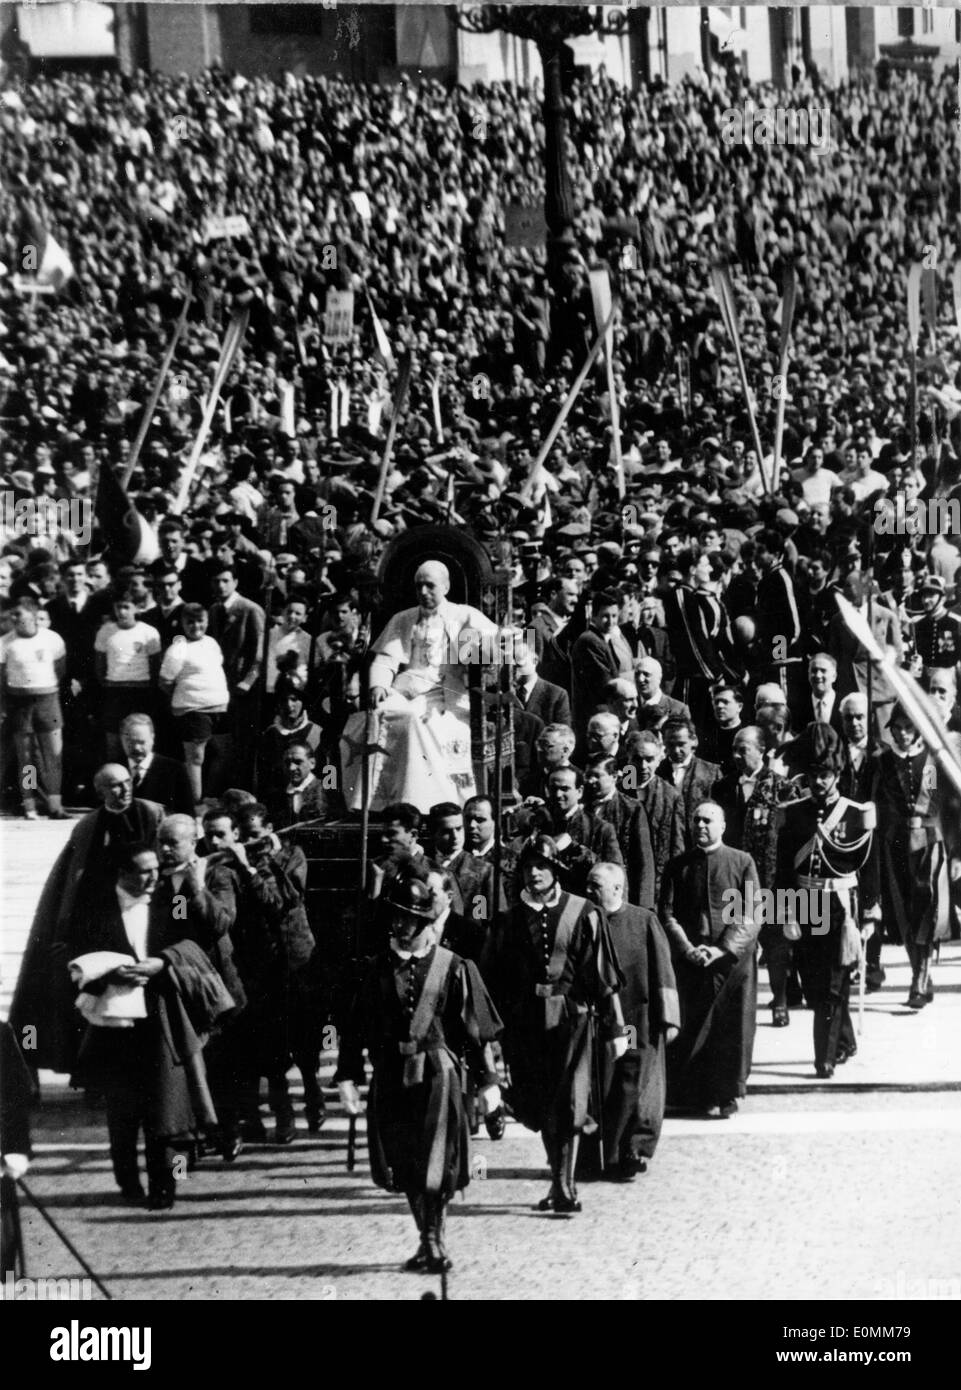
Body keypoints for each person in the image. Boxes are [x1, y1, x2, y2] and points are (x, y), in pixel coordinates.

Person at [335, 862, 502, 1273]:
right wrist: (348, 1076)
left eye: (409, 918)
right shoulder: (373, 970)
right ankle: (425, 1240)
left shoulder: (455, 966)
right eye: (396, 917)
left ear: (425, 919)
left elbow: (473, 1032)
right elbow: (354, 1029)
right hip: (391, 1074)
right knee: (405, 1161)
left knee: (437, 1161)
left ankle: (434, 1240)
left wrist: (488, 1081)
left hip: (439, 1076)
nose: (401, 925)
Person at [68, 843, 232, 1209]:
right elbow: (69, 953)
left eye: (157, 870)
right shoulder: (96, 908)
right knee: (122, 1110)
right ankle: (127, 1181)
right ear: (121, 873)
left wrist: (162, 963)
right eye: (144, 871)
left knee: (166, 1106)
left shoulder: (167, 900)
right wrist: (106, 974)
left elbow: (191, 940)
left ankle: (164, 1188)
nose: (154, 878)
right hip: (113, 1020)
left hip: (159, 1016)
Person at [486, 836, 625, 1214]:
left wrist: (616, 1028)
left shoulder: (584, 913)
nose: (534, 874)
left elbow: (602, 976)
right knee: (539, 1102)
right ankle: (557, 1180)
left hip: (573, 1020)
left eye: (542, 866)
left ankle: (565, 1185)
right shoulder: (508, 920)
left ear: (555, 870)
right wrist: (494, 1038)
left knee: (569, 1101)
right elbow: (494, 981)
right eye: (528, 867)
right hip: (526, 1025)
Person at [340, 560, 498, 812]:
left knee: (412, 718)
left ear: (445, 586)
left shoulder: (464, 615)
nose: (423, 592)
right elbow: (385, 658)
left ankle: (420, 801)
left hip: (445, 694)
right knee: (374, 716)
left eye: (430, 586)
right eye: (419, 586)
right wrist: (378, 685)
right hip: (405, 689)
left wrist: (477, 650)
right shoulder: (403, 619)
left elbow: (493, 647)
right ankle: (374, 802)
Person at [774, 724, 881, 1077]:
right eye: (815, 774)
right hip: (806, 904)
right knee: (813, 983)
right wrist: (785, 909)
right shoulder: (794, 812)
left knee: (834, 983)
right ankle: (844, 1038)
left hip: (840, 906)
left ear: (837, 774)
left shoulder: (855, 813)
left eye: (827, 774)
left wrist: (869, 912)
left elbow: (870, 867)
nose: (820, 781)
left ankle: (825, 1056)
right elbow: (785, 868)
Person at [660, 801, 760, 1116]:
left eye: (708, 821)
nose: (701, 826)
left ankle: (729, 1092)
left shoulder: (742, 861)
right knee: (692, 1026)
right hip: (692, 959)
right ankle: (695, 1094)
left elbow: (752, 910)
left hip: (732, 961)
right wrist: (686, 948)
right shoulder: (678, 865)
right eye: (696, 820)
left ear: (722, 826)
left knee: (732, 1027)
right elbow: (667, 914)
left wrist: (724, 948)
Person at [584, 862, 679, 1180]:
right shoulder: (583, 921)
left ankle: (631, 1152)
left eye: (595, 885)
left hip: (635, 1018)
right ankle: (594, 1157)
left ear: (617, 888)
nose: (589, 890)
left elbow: (663, 970)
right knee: (599, 1087)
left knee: (633, 1087)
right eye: (588, 884)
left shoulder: (644, 920)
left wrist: (669, 1018)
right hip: (596, 1022)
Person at [873, 704, 961, 1009]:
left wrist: (956, 851)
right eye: (896, 729)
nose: (901, 733)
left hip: (928, 844)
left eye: (907, 728)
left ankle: (920, 979)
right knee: (904, 914)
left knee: (927, 909)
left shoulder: (933, 762)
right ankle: (919, 975)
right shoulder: (883, 762)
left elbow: (946, 807)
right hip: (896, 844)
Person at [0, 595, 67, 818]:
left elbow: (60, 670)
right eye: (13, 614)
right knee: (26, 758)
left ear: (33, 613)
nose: (15, 618)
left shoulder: (53, 639)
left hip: (48, 700)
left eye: (19, 613)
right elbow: (2, 678)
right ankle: (30, 804)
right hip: (20, 704)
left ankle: (55, 804)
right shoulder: (5, 642)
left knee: (53, 756)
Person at [583, 753, 656, 908]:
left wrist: (644, 905)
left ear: (614, 776)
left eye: (597, 776)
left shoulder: (632, 808)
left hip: (619, 891)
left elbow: (644, 859)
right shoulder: (582, 805)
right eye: (588, 775)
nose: (590, 781)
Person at [622, 729, 685, 902]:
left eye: (649, 760)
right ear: (628, 757)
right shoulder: (619, 791)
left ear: (659, 759)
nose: (643, 766)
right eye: (637, 759)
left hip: (656, 885)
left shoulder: (670, 796)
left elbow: (677, 847)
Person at [657, 716, 721, 849]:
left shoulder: (711, 772)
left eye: (681, 744)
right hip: (665, 846)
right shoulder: (656, 772)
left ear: (694, 741)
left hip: (699, 844)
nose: (676, 750)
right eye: (670, 745)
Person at [119, 713, 194, 816]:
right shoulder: (112, 768)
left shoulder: (174, 770)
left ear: (152, 738)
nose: (136, 748)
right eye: (130, 742)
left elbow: (187, 814)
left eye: (141, 742)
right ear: (121, 739)